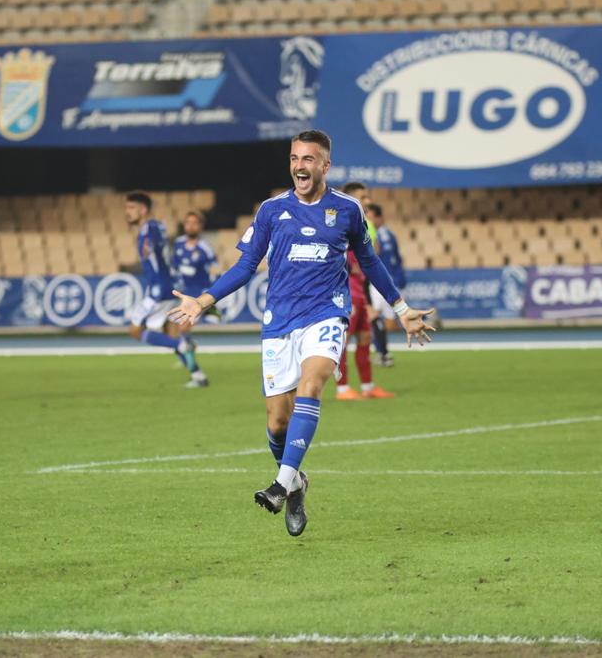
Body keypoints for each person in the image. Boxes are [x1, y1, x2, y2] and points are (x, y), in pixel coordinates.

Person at [168, 130, 435, 537]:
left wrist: (400, 309)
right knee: (277, 422)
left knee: (312, 385)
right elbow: (244, 267)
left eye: (308, 159)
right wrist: (203, 301)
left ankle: (279, 486)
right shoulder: (272, 211)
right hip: (279, 322)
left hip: (327, 314)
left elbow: (371, 262)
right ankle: (296, 483)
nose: (299, 166)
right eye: (294, 158)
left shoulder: (347, 210)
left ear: (325, 165)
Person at [125, 192, 209, 388]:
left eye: (131, 208)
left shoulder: (149, 229)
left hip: (159, 289)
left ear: (143, 209)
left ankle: (182, 345)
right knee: (170, 331)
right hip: (168, 286)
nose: (127, 212)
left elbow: (153, 246)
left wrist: (149, 247)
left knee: (135, 330)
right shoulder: (156, 226)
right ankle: (197, 376)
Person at [334, 248, 395, 400]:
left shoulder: (359, 249)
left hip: (361, 298)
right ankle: (343, 389)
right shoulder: (338, 248)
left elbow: (366, 279)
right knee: (343, 342)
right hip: (347, 298)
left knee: (365, 338)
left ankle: (368, 387)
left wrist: (368, 304)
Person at [367, 202, 408, 367]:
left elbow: (376, 257)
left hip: (380, 282)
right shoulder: (390, 234)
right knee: (384, 319)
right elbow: (397, 259)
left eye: (370, 217)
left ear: (378, 217)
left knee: (375, 316)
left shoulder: (377, 235)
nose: (367, 220)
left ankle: (383, 353)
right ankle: (383, 353)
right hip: (391, 282)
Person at [172, 210, 221, 325]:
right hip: (183, 292)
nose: (190, 226)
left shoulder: (205, 248)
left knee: (185, 324)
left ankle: (211, 310)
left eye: (194, 223)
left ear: (200, 226)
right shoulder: (178, 243)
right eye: (188, 223)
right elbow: (174, 266)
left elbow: (215, 271)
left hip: (199, 293)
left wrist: (210, 294)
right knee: (171, 325)